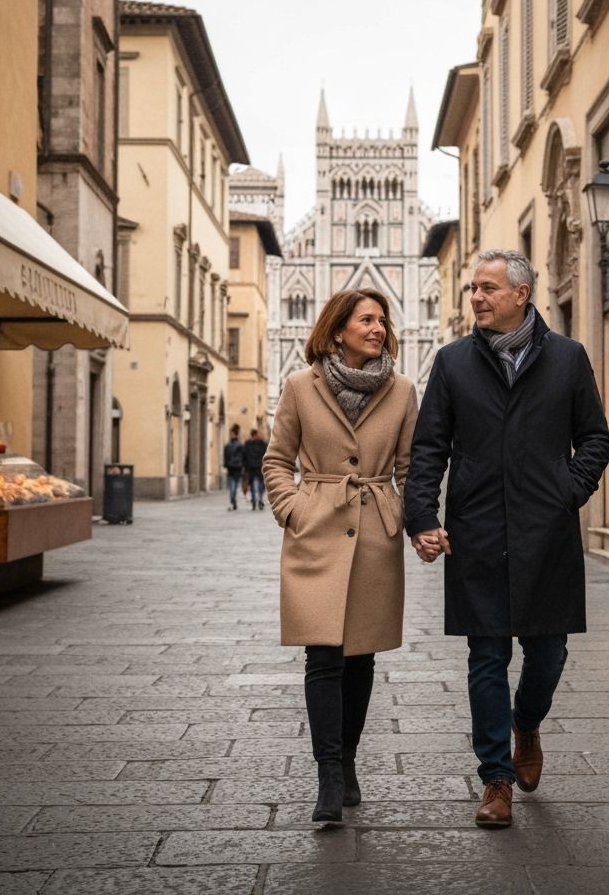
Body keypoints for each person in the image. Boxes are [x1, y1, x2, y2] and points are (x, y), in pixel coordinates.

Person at [404, 249, 609, 829]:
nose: (476, 297)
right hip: (477, 530)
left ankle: (527, 721)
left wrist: (564, 491)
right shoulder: (452, 363)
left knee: (550, 652)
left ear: (522, 294)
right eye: (474, 288)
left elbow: (596, 438)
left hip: (547, 533)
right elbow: (429, 448)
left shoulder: (569, 359)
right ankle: (496, 779)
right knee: (486, 656)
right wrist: (422, 516)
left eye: (488, 288)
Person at [263, 288, 418, 825]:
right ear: (337, 330)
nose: (378, 328)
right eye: (366, 320)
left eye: (382, 320)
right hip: (317, 531)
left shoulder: (401, 391)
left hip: (375, 533)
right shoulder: (299, 387)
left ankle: (348, 759)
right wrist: (293, 509)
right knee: (322, 657)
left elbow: (411, 467)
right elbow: (277, 460)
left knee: (361, 659)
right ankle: (329, 773)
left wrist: (405, 518)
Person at [242, 428, 268, 510]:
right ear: (256, 435)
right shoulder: (263, 444)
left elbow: (244, 455)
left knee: (252, 484)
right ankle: (260, 497)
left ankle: (254, 500)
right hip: (260, 466)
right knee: (261, 483)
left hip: (250, 467)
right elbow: (266, 455)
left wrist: (245, 466)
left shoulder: (247, 444)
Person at [223, 423, 244, 510]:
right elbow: (225, 455)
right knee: (232, 486)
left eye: (231, 433)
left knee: (235, 486)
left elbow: (241, 456)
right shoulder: (227, 445)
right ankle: (232, 501)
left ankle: (233, 500)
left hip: (237, 468)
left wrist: (240, 464)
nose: (230, 435)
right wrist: (226, 464)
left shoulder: (239, 445)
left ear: (235, 433)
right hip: (230, 468)